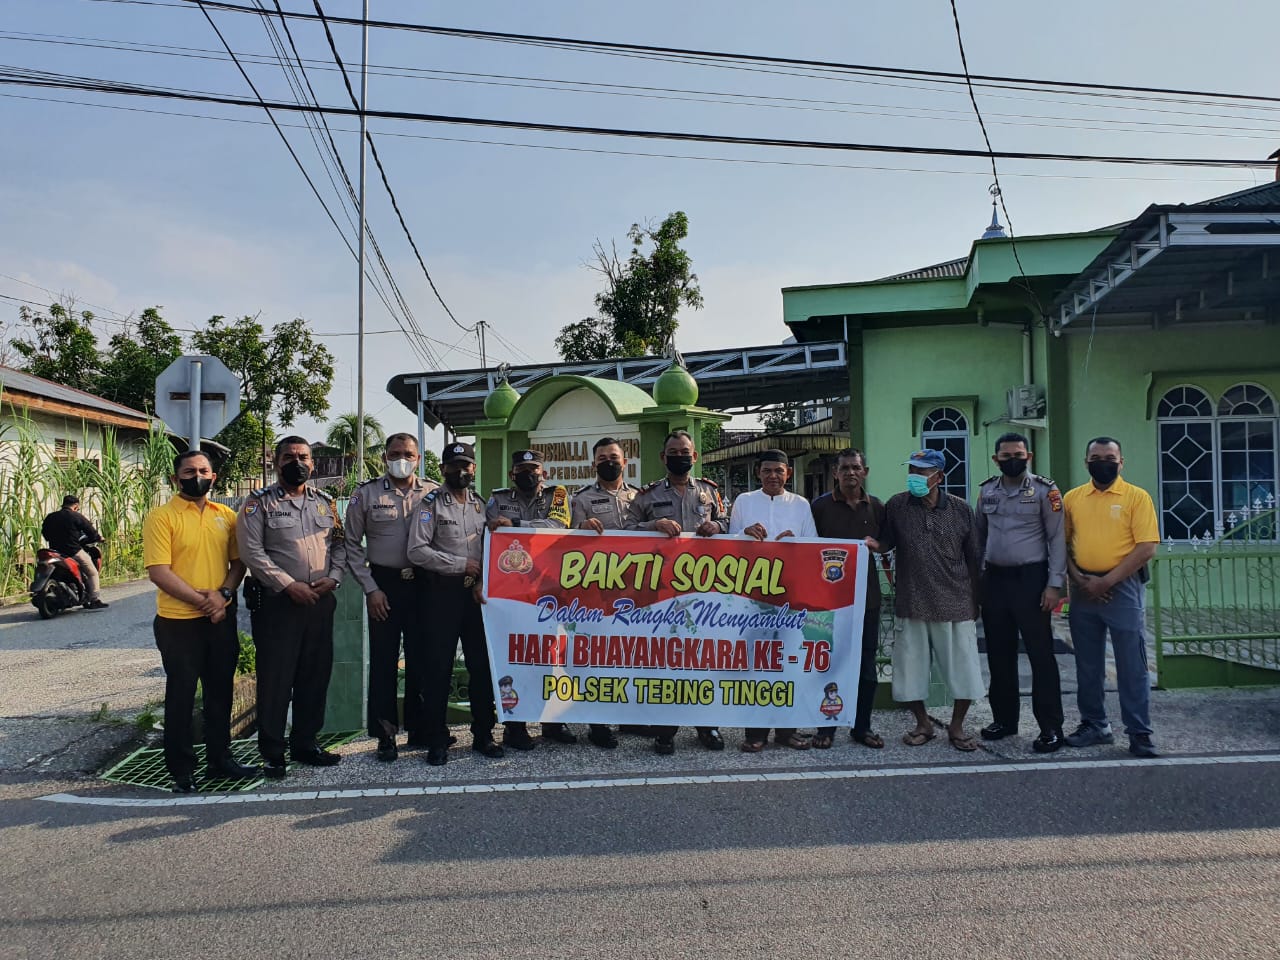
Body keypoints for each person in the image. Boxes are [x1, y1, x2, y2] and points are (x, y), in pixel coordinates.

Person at [142, 450, 258, 792]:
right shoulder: (162, 517)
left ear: (214, 477)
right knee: (181, 695)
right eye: (189, 471)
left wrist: (223, 594)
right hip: (178, 622)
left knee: (220, 693)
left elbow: (238, 562)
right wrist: (205, 602)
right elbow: (159, 572)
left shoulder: (227, 515)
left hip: (220, 618)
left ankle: (221, 759)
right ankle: (181, 769)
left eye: (203, 470)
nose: (197, 476)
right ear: (176, 479)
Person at [237, 436, 347, 779]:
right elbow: (252, 553)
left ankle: (305, 743)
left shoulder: (325, 503)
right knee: (276, 679)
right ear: (275, 461)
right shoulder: (258, 504)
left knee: (315, 675)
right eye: (289, 457)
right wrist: (289, 585)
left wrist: (334, 577)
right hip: (278, 604)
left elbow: (341, 545)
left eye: (303, 457)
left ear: (312, 464)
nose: (296, 462)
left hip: (320, 600)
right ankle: (272, 752)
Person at [866, 449, 983, 751]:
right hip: (912, 601)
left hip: (954, 603)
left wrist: (975, 601)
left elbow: (973, 557)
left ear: (939, 476)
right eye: (913, 471)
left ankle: (956, 727)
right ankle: (923, 723)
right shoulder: (897, 505)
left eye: (922, 471)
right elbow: (887, 541)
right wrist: (875, 546)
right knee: (910, 671)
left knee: (963, 670)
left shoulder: (960, 509)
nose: (915, 477)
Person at [625, 429, 729, 755]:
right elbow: (625, 531)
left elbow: (729, 523)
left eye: (685, 451)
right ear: (663, 457)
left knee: (703, 657)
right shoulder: (647, 495)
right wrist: (652, 526)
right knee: (666, 659)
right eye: (673, 451)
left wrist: (718, 527)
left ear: (694, 456)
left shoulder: (710, 493)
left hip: (704, 591)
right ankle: (665, 728)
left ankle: (706, 724)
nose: (679, 456)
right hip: (661, 591)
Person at [1062, 437, 1160, 758]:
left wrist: (1106, 581)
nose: (1102, 462)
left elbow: (1146, 547)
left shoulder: (1136, 497)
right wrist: (1079, 579)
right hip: (1083, 588)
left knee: (1132, 664)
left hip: (1123, 588)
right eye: (1095, 457)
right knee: (1087, 665)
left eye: (1109, 457)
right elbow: (1062, 544)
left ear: (1121, 462)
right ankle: (1095, 725)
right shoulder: (1073, 498)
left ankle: (1139, 732)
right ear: (1086, 461)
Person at [344, 433, 437, 763]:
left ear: (418, 458)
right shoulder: (365, 494)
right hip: (383, 585)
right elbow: (351, 546)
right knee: (383, 662)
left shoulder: (433, 492)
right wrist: (370, 589)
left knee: (422, 659)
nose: (402, 459)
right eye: (395, 453)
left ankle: (421, 728)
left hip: (423, 584)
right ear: (385, 457)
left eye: (408, 453)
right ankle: (385, 735)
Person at [408, 441, 500, 765]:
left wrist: (480, 580)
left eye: (466, 465)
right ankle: (436, 739)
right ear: (442, 469)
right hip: (440, 596)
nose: (461, 470)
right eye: (454, 465)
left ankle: (483, 734)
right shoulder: (429, 504)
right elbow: (417, 551)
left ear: (473, 468)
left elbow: (489, 551)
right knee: (438, 669)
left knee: (480, 667)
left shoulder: (481, 505)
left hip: (474, 597)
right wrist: (460, 566)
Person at [975, 432, 1067, 753]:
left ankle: (1051, 727)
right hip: (996, 582)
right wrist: (978, 584)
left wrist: (1055, 584)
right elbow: (979, 539)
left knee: (1040, 655)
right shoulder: (986, 491)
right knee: (999, 655)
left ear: (1028, 457)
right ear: (996, 459)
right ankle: (1004, 719)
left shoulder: (1046, 491)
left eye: (1018, 454)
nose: (1012, 458)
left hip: (1032, 580)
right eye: (1006, 454)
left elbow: (1057, 539)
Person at [729, 449, 816, 753]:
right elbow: (729, 546)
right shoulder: (744, 502)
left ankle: (786, 731)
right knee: (756, 663)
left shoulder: (801, 505)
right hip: (754, 598)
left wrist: (797, 542)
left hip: (790, 598)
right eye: (767, 471)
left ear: (788, 474)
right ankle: (755, 732)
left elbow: (813, 548)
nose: (773, 476)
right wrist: (744, 532)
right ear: (758, 473)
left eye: (779, 471)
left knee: (789, 663)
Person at [486, 449, 572, 749]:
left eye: (534, 468)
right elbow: (489, 532)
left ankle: (551, 722)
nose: (529, 473)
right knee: (513, 656)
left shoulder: (557, 495)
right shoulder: (497, 499)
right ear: (512, 474)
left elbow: (558, 527)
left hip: (549, 589)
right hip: (509, 591)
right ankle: (515, 725)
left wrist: (515, 527)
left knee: (550, 656)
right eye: (521, 468)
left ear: (543, 472)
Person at [810, 448, 887, 751]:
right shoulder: (819, 507)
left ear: (865, 471)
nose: (850, 473)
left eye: (856, 467)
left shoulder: (877, 508)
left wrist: (877, 545)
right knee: (826, 662)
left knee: (866, 665)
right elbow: (805, 545)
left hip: (866, 600)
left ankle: (861, 726)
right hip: (826, 602)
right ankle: (826, 726)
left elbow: (888, 540)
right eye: (844, 468)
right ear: (835, 473)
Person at [570, 436, 642, 749]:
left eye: (613, 457)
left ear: (625, 462)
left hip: (638, 588)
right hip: (598, 590)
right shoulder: (581, 499)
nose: (608, 462)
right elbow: (564, 542)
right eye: (601, 458)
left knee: (631, 653)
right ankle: (597, 722)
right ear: (593, 464)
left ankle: (629, 717)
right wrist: (580, 529)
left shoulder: (641, 497)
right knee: (598, 654)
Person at [41, 494, 108, 610]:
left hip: (55, 551)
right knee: (92, 572)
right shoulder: (75, 516)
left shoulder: (51, 517)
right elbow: (90, 530)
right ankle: (94, 599)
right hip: (72, 551)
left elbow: (45, 533)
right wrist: (99, 538)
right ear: (76, 506)